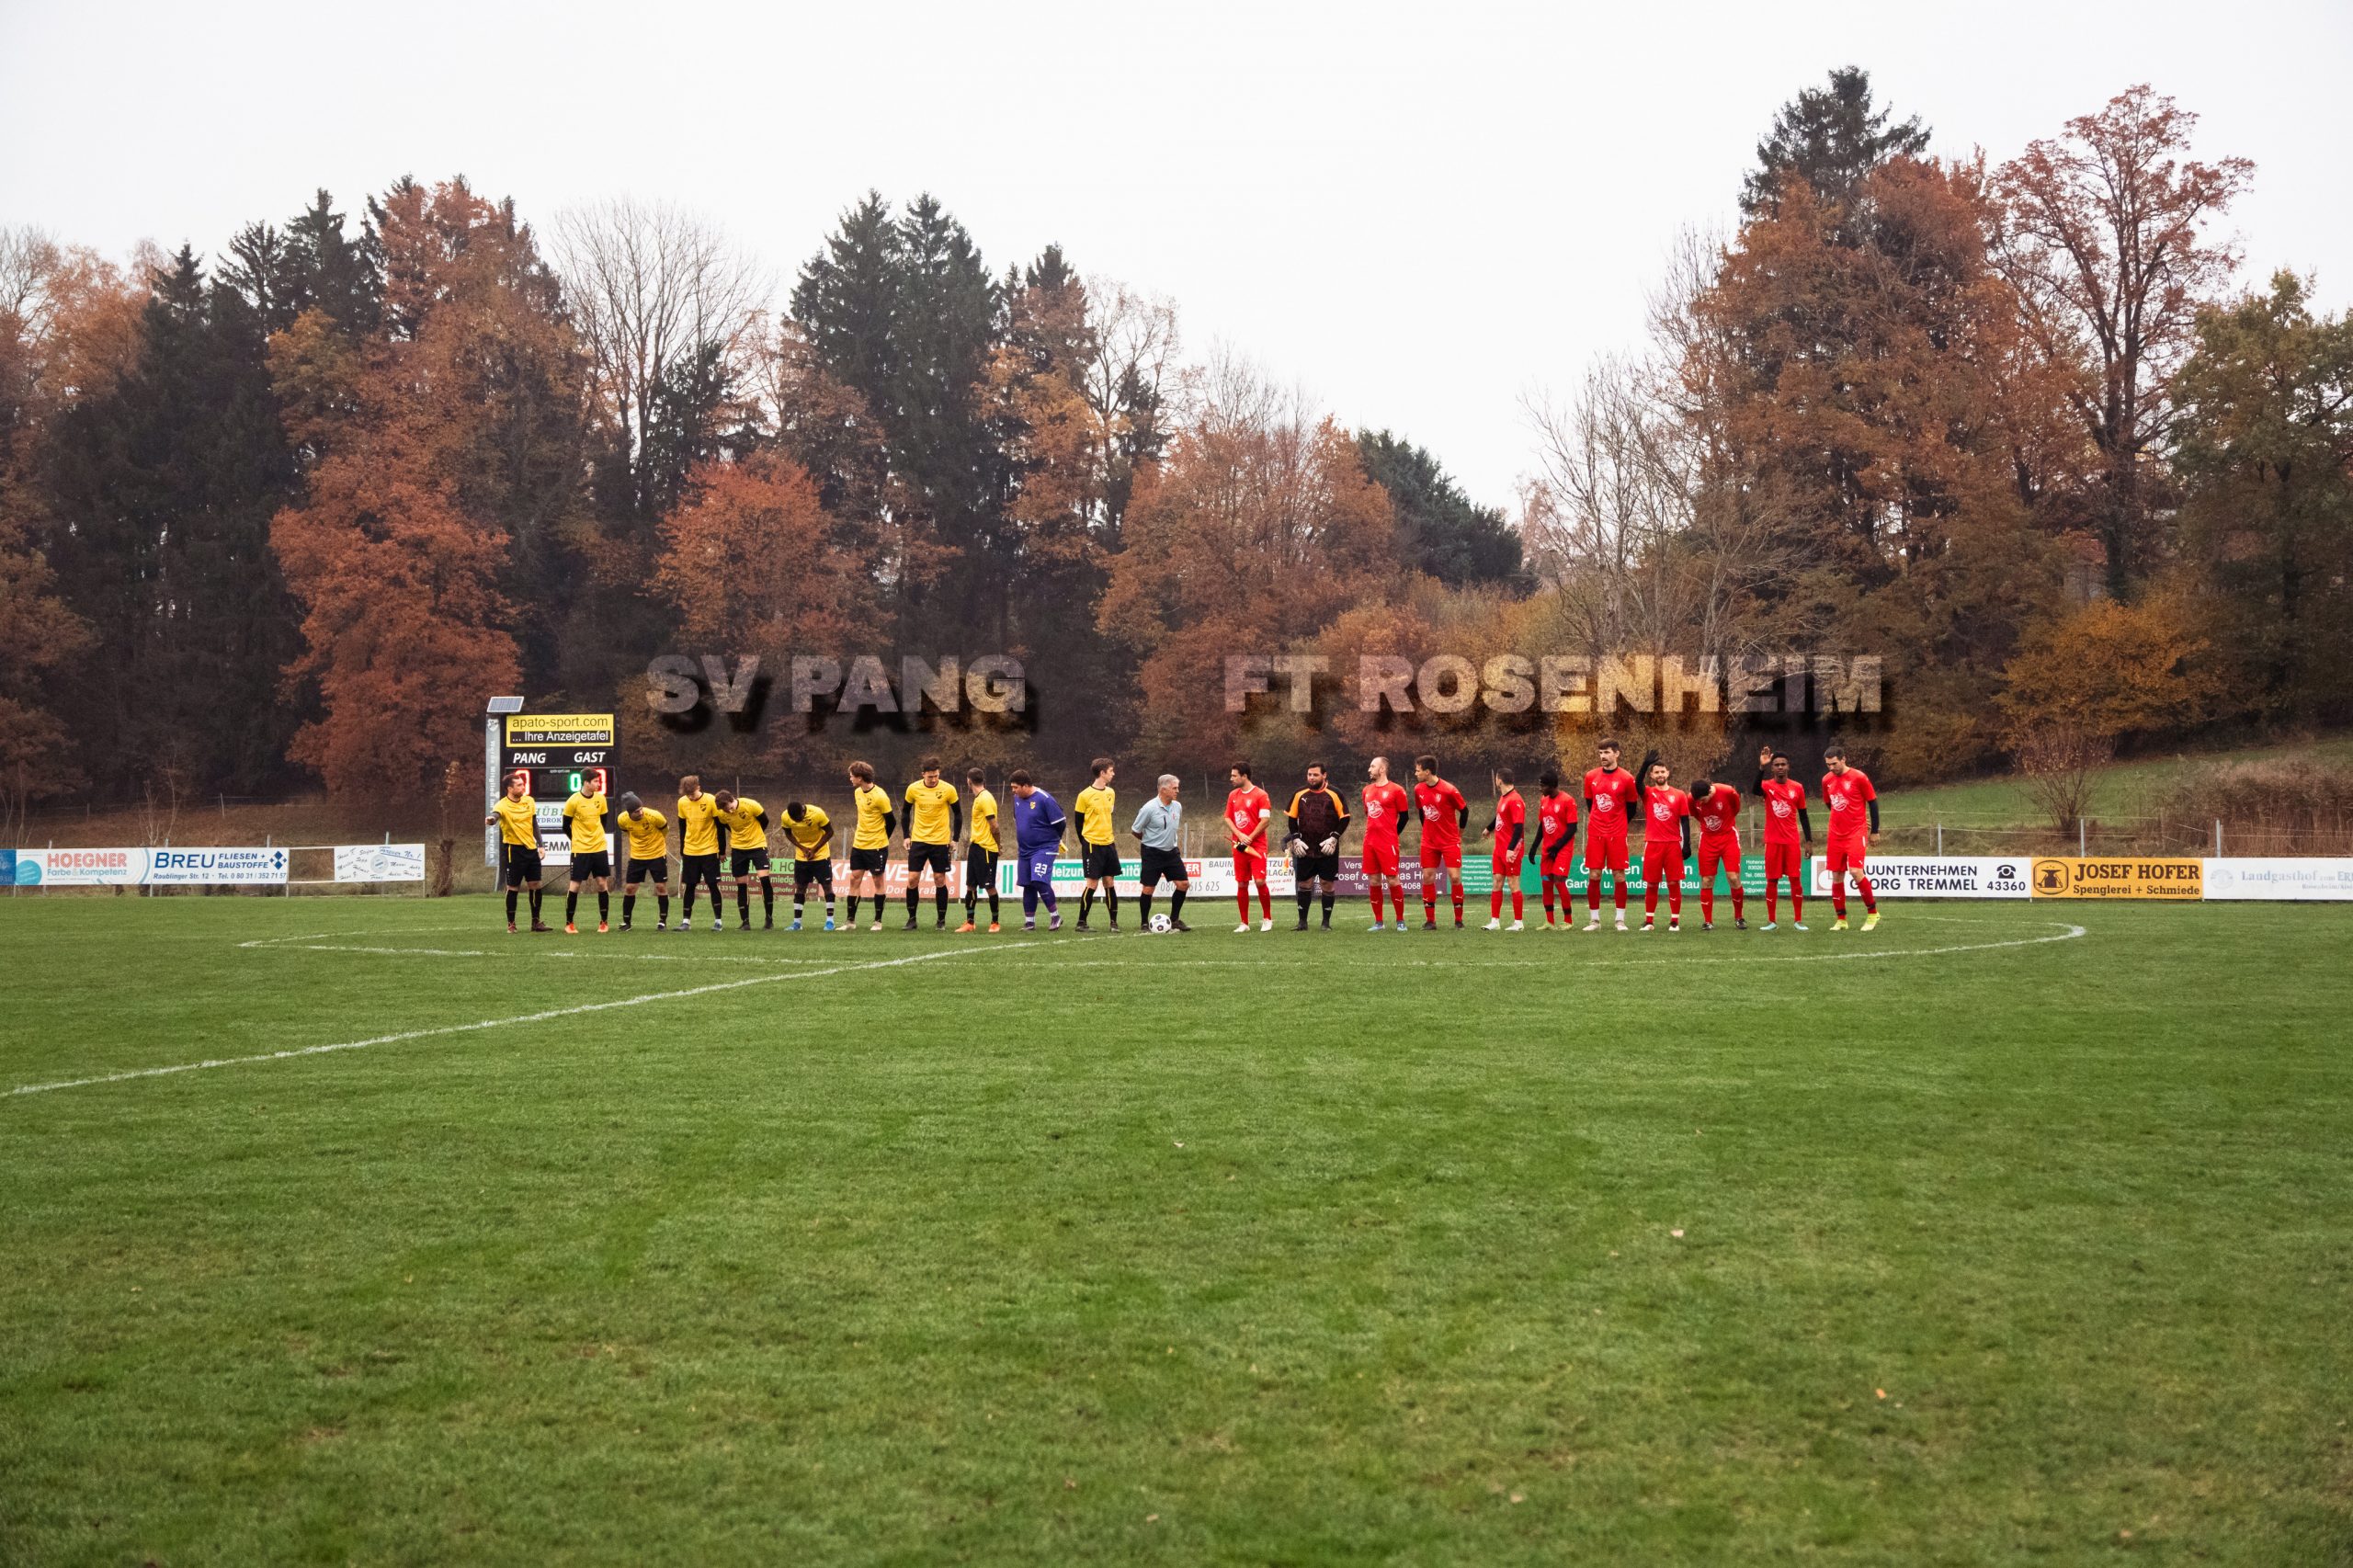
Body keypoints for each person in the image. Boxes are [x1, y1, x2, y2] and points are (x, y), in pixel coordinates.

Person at [1582, 739, 1640, 931]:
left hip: (1617, 833)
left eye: (1606, 752)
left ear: (1616, 753)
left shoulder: (1627, 778)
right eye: (1600, 753)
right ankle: (1594, 921)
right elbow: (1590, 804)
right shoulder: (1591, 776)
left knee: (1619, 875)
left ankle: (1620, 920)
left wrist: (1618, 823)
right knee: (1594, 874)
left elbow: (1632, 808)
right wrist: (1600, 821)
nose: (1603, 756)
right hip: (1596, 832)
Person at [1822, 744, 1881, 931]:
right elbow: (1830, 804)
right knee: (1837, 875)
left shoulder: (1859, 777)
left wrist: (1874, 830)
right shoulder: (1826, 780)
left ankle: (1872, 914)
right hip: (1835, 834)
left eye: (1834, 763)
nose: (1831, 768)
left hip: (1855, 832)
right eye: (1828, 765)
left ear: (1844, 759)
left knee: (1855, 871)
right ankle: (1841, 920)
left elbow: (1873, 803)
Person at [1753, 746, 1812, 931]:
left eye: (1783, 764)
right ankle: (1772, 921)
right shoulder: (1767, 786)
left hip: (1792, 841)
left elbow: (1803, 815)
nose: (1780, 767)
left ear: (1788, 766)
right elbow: (1755, 790)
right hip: (1773, 841)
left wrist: (1808, 841)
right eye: (1776, 764)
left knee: (1795, 880)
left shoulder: (1797, 788)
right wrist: (1761, 767)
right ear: (1772, 768)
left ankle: (1798, 920)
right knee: (1772, 880)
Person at [901, 756, 962, 931]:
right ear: (923, 775)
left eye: (936, 776)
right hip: (919, 841)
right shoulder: (913, 789)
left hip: (940, 842)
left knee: (939, 879)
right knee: (912, 879)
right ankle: (912, 919)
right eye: (930, 777)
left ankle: (941, 920)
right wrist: (906, 836)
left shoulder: (948, 789)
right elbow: (905, 812)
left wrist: (955, 838)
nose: (934, 779)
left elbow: (958, 814)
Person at [1286, 763, 1349, 931]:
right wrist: (1296, 839)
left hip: (1327, 847)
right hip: (1305, 847)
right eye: (1309, 775)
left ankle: (1326, 923)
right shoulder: (1299, 793)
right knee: (1304, 883)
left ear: (1324, 775)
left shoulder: (1335, 793)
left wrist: (1334, 838)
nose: (1311, 778)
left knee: (1326, 883)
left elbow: (1345, 818)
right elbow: (1292, 819)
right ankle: (1302, 923)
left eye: (1315, 775)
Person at [1634, 751, 1692, 933]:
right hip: (1653, 843)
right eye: (1656, 772)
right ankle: (1649, 921)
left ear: (1668, 773)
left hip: (1673, 844)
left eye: (1662, 772)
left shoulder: (1679, 795)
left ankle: (1674, 921)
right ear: (1652, 775)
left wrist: (1687, 844)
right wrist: (1644, 765)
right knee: (1652, 883)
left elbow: (1685, 821)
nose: (1660, 775)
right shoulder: (1648, 793)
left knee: (1674, 883)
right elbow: (1637, 784)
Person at [486, 769, 550, 933]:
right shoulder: (502, 805)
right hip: (513, 850)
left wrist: (540, 845)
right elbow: (495, 815)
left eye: (523, 784)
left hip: (531, 850)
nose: (523, 787)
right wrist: (491, 820)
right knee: (513, 887)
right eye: (519, 785)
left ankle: (536, 922)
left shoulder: (529, 801)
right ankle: (511, 924)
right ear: (510, 788)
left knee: (536, 885)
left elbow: (534, 824)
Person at [1411, 754, 1470, 930]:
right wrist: (1427, 830)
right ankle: (1430, 921)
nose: (1416, 773)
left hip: (1449, 841)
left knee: (1455, 877)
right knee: (1427, 877)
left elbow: (1465, 811)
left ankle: (1459, 920)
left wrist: (1459, 833)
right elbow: (1421, 811)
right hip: (1429, 842)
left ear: (1427, 772)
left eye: (1418, 770)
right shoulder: (1418, 789)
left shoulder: (1449, 790)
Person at [1007, 769, 1067, 931]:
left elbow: (1061, 822)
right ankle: (1029, 922)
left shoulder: (1045, 799)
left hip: (1044, 848)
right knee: (1027, 884)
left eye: (1015, 787)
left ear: (1026, 785)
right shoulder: (1017, 799)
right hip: (1025, 850)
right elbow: (1018, 820)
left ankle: (1055, 917)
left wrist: (1054, 840)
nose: (1013, 791)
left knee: (1039, 880)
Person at [1131, 774, 1190, 932]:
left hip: (1172, 853)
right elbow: (1135, 830)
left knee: (1183, 884)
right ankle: (1144, 923)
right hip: (1152, 853)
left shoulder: (1177, 806)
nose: (1177, 791)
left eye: (1177, 787)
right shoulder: (1149, 808)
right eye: (1174, 788)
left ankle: (1174, 920)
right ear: (1163, 789)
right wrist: (1151, 841)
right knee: (1148, 888)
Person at [1359, 756, 1412, 932]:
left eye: (1372, 766)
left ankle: (1400, 921)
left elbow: (1404, 817)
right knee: (1374, 880)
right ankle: (1379, 922)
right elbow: (1368, 814)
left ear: (1382, 769)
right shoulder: (1366, 790)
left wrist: (1392, 835)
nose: (1369, 769)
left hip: (1388, 842)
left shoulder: (1397, 790)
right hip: (1370, 841)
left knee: (1392, 879)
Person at [1688, 773, 1745, 931]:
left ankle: (1739, 917)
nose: (1700, 803)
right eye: (1698, 801)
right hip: (1708, 840)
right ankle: (1708, 921)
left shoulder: (1727, 791)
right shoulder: (1691, 798)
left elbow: (1736, 808)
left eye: (1703, 799)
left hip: (1728, 838)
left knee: (1733, 877)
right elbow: (1695, 814)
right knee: (1707, 880)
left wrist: (1725, 823)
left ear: (1710, 792)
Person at [712, 789, 775, 931]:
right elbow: (724, 829)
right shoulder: (721, 814)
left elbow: (765, 821)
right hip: (738, 849)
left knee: (764, 880)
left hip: (758, 846)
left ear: (732, 799)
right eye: (725, 810)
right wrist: (722, 851)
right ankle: (745, 922)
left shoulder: (751, 805)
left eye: (729, 807)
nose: (728, 811)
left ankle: (769, 919)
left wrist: (754, 835)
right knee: (741, 885)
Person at [560, 773, 613, 934]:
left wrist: (596, 837)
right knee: (575, 885)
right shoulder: (573, 801)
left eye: (599, 781)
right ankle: (569, 923)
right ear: (586, 782)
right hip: (580, 850)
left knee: (602, 883)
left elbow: (603, 821)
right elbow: (565, 826)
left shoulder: (601, 799)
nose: (599, 784)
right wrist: (577, 839)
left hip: (599, 848)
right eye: (596, 781)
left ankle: (604, 922)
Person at [1224, 762, 1275, 933]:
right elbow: (1228, 818)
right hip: (1239, 846)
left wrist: (1250, 837)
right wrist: (1240, 835)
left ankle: (1267, 918)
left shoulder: (1261, 795)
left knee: (1260, 881)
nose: (1231, 778)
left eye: (1234, 775)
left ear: (1244, 776)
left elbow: (1265, 821)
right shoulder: (1233, 795)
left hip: (1257, 846)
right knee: (1242, 883)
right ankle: (1244, 923)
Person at [845, 761, 894, 931]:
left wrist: (881, 838)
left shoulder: (880, 796)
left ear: (860, 777)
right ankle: (850, 922)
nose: (850, 778)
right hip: (859, 844)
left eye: (852, 776)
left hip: (876, 846)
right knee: (854, 879)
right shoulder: (857, 792)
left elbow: (891, 822)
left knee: (878, 881)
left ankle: (877, 922)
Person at [1073, 758, 1121, 932]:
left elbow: (1109, 815)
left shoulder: (1111, 792)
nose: (1113, 773)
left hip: (1109, 843)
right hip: (1092, 845)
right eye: (1111, 770)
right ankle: (1081, 923)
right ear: (1102, 773)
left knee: (1109, 882)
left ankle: (1113, 922)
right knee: (1092, 883)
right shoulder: (1084, 795)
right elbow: (1078, 823)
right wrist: (1086, 842)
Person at [674, 774, 725, 932]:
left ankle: (718, 921)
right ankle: (686, 922)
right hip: (690, 850)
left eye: (692, 793)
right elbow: (682, 827)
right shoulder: (682, 802)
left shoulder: (710, 800)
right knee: (689, 885)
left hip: (709, 849)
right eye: (688, 794)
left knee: (712, 885)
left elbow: (720, 827)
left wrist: (722, 850)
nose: (691, 797)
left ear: (698, 787)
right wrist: (682, 849)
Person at [615, 793, 671, 932]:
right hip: (637, 857)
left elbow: (665, 830)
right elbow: (626, 831)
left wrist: (655, 844)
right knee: (630, 888)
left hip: (657, 855)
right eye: (636, 811)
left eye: (641, 809)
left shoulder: (654, 816)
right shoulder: (622, 819)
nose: (640, 812)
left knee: (660, 887)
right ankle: (626, 922)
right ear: (629, 812)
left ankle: (662, 922)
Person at [779, 801, 836, 932]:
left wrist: (814, 849)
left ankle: (830, 922)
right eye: (794, 819)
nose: (796, 821)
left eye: (798, 818)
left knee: (827, 886)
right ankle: (797, 924)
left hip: (821, 854)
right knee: (800, 888)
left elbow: (830, 832)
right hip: (802, 856)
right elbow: (788, 833)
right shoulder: (785, 816)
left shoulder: (817, 813)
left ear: (803, 811)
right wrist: (802, 848)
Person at [1481, 767, 1528, 931]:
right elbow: (1500, 816)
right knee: (1497, 882)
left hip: (1510, 849)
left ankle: (1519, 923)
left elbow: (1519, 827)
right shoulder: (1504, 797)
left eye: (1496, 778)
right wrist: (1489, 828)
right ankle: (1495, 921)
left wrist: (1511, 848)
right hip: (1499, 848)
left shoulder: (1515, 800)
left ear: (1499, 780)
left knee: (1513, 883)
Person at [958, 767, 1003, 934]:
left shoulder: (985, 798)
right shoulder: (979, 798)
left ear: (968, 781)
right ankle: (970, 922)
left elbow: (994, 826)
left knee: (989, 886)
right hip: (976, 846)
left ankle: (995, 922)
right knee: (970, 885)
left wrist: (998, 845)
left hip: (986, 848)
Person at [1533, 771, 1580, 929]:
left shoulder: (1568, 800)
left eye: (1543, 786)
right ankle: (1549, 922)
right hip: (1548, 849)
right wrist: (1534, 847)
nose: (1540, 789)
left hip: (1562, 848)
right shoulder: (1543, 800)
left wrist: (1557, 846)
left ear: (1552, 786)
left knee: (1559, 881)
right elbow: (1542, 824)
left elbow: (1572, 828)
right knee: (1546, 883)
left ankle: (1568, 921)